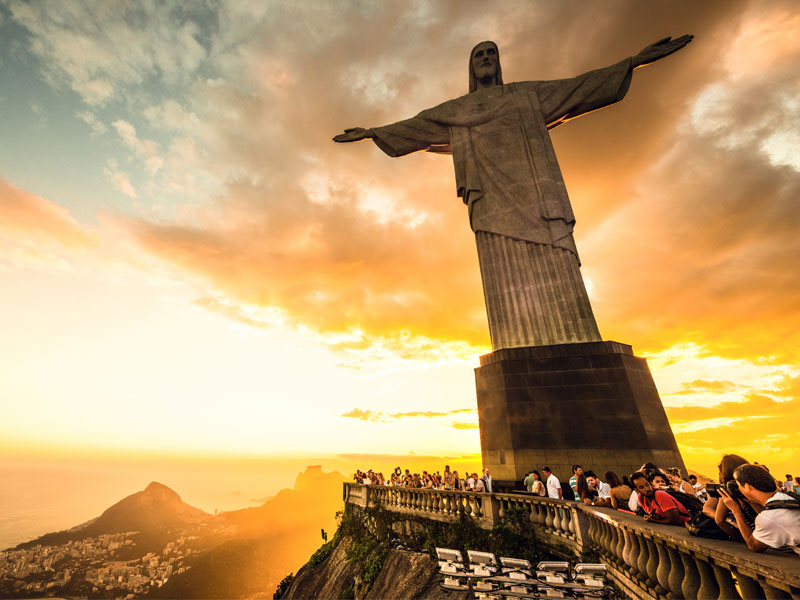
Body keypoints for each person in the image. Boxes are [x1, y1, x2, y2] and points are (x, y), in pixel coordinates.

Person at [334, 36, 693, 350]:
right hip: (491, 205)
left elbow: (579, 87)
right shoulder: (456, 110)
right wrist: (372, 131)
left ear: (499, 61)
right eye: (479, 55)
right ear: (472, 67)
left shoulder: (526, 94)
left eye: (492, 52)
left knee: (558, 265)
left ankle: (577, 338)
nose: (487, 58)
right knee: (505, 279)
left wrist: (634, 61)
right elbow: (417, 124)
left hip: (538, 200)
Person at [719, 464, 800, 555]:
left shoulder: (770, 517)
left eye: (738, 486)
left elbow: (754, 545)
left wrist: (736, 511)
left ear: (747, 486)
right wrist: (750, 500)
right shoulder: (787, 497)